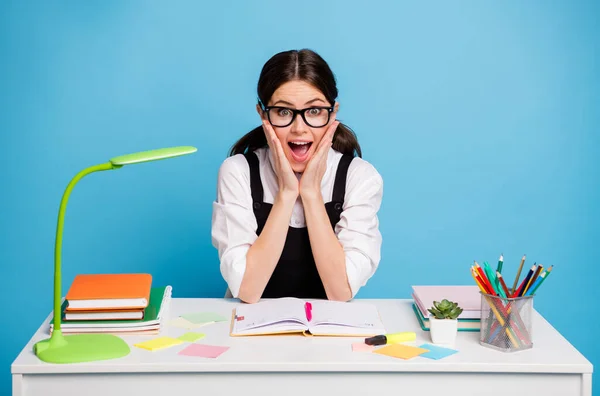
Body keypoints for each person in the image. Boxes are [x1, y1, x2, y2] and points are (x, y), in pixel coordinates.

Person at [211, 49, 383, 304]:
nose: (299, 128)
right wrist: (287, 193)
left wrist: (311, 193)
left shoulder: (360, 177)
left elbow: (340, 292)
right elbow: (247, 289)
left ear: (332, 114)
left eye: (314, 111)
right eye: (283, 112)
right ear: (262, 114)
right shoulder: (238, 171)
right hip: (252, 331)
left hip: (330, 329)